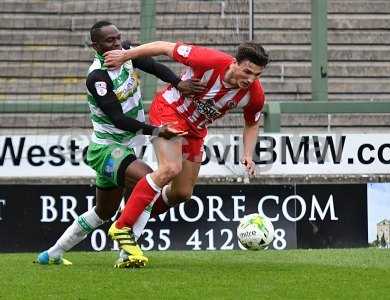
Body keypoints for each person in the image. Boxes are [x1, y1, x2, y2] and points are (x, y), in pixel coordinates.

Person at [36, 21, 205, 268]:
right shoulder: (97, 77)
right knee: (150, 179)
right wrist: (157, 131)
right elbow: (118, 119)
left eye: (118, 38)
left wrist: (178, 82)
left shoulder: (125, 54)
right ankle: (127, 253)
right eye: (109, 41)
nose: (116, 44)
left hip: (126, 147)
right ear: (96, 46)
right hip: (106, 149)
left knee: (102, 212)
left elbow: (152, 65)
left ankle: (52, 253)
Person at [104, 40, 269, 265]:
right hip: (169, 110)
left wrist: (248, 154)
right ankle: (122, 225)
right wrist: (126, 56)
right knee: (170, 168)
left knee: (182, 193)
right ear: (235, 63)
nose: (250, 79)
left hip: (196, 130)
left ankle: (131, 215)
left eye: (256, 75)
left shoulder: (254, 94)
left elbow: (252, 122)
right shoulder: (209, 60)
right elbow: (164, 46)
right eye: (247, 71)